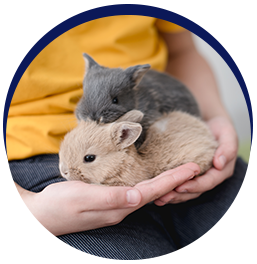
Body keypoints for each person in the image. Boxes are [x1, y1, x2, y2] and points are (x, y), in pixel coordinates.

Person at [7, 16, 248, 263]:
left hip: (160, 124)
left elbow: (182, 51)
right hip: (30, 158)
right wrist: (24, 210)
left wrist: (215, 117)